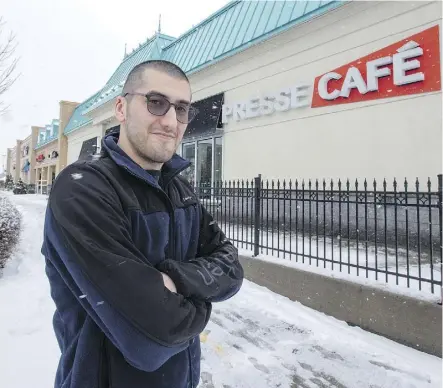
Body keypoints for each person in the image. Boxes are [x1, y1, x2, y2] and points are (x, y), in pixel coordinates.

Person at [42, 60, 244, 388]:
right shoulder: (82, 189)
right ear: (121, 108)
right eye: (156, 102)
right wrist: (203, 298)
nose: (170, 120)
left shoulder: (180, 190)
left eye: (181, 108)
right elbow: (152, 339)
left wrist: (175, 279)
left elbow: (232, 267)